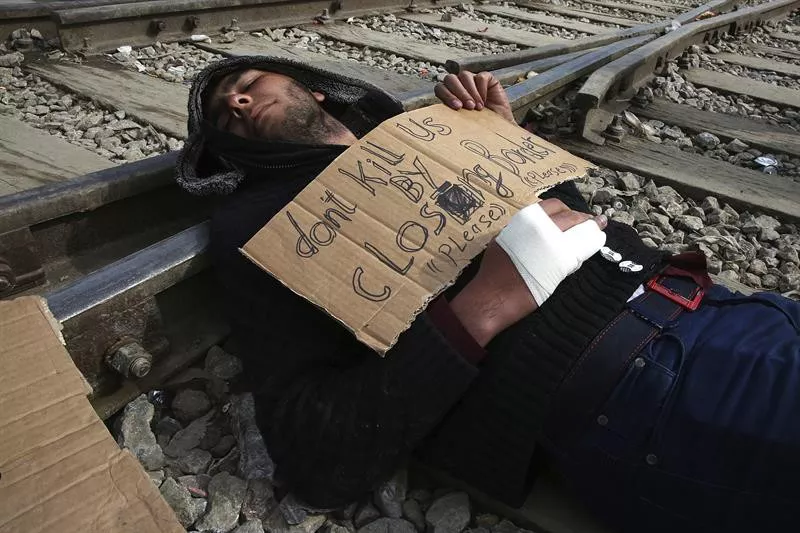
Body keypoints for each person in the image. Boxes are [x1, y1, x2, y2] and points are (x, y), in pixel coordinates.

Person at [176, 56, 800, 533]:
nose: (236, 98)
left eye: (250, 82)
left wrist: (509, 151)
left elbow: (569, 229)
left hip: (724, 308)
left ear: (313, 87)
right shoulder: (261, 229)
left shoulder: (424, 134)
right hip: (646, 388)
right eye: (225, 116)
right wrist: (483, 308)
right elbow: (313, 453)